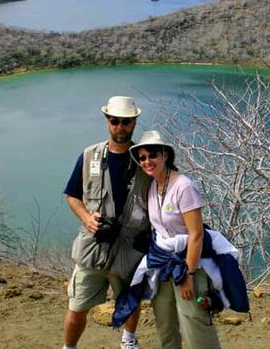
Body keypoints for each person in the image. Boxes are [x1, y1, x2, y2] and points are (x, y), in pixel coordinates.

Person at [124, 130, 235, 349]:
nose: (147, 161)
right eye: (143, 157)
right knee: (165, 324)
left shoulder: (183, 186)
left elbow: (196, 234)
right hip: (162, 263)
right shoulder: (153, 185)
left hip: (188, 263)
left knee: (194, 323)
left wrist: (188, 275)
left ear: (165, 155)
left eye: (152, 155)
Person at [62, 96, 151, 349]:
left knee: (131, 300)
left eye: (126, 122)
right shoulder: (89, 156)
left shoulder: (144, 160)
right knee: (77, 305)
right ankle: (69, 347)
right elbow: (72, 195)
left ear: (134, 123)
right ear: (107, 121)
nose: (120, 127)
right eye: (115, 121)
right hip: (93, 247)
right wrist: (86, 218)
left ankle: (128, 340)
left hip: (129, 249)